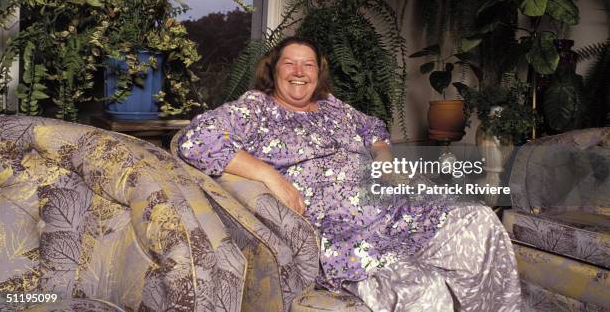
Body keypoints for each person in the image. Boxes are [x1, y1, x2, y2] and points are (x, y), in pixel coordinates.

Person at [177, 37, 523, 312]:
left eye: (308, 64)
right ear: (273, 69)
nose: (299, 71)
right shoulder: (254, 108)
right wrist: (268, 174)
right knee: (423, 289)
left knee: (481, 221)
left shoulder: (333, 107)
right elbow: (195, 139)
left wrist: (383, 156)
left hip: (397, 208)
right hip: (346, 229)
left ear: (318, 72)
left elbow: (371, 125)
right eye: (290, 63)